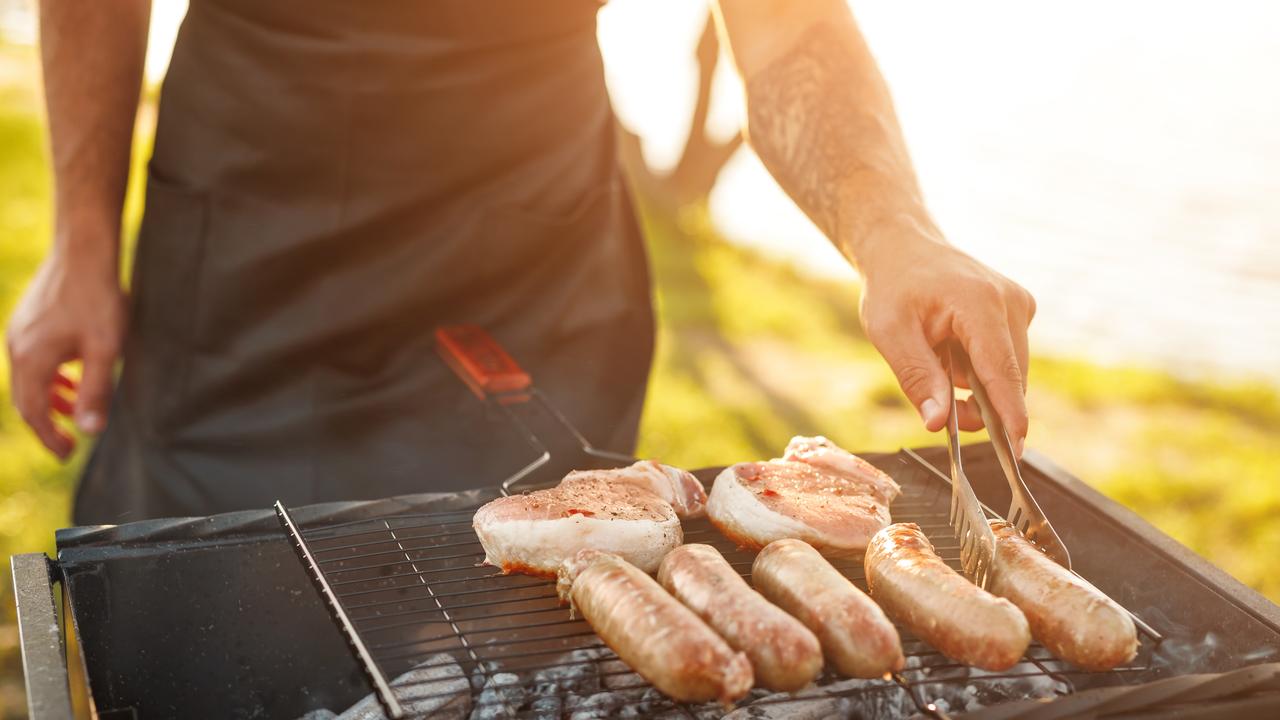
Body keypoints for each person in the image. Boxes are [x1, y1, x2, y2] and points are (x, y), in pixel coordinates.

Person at [6, 0, 1035, 525]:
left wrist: (892, 228)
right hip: (242, 229)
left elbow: (785, 28)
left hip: (531, 260)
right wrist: (83, 240)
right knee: (200, 602)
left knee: (532, 604)